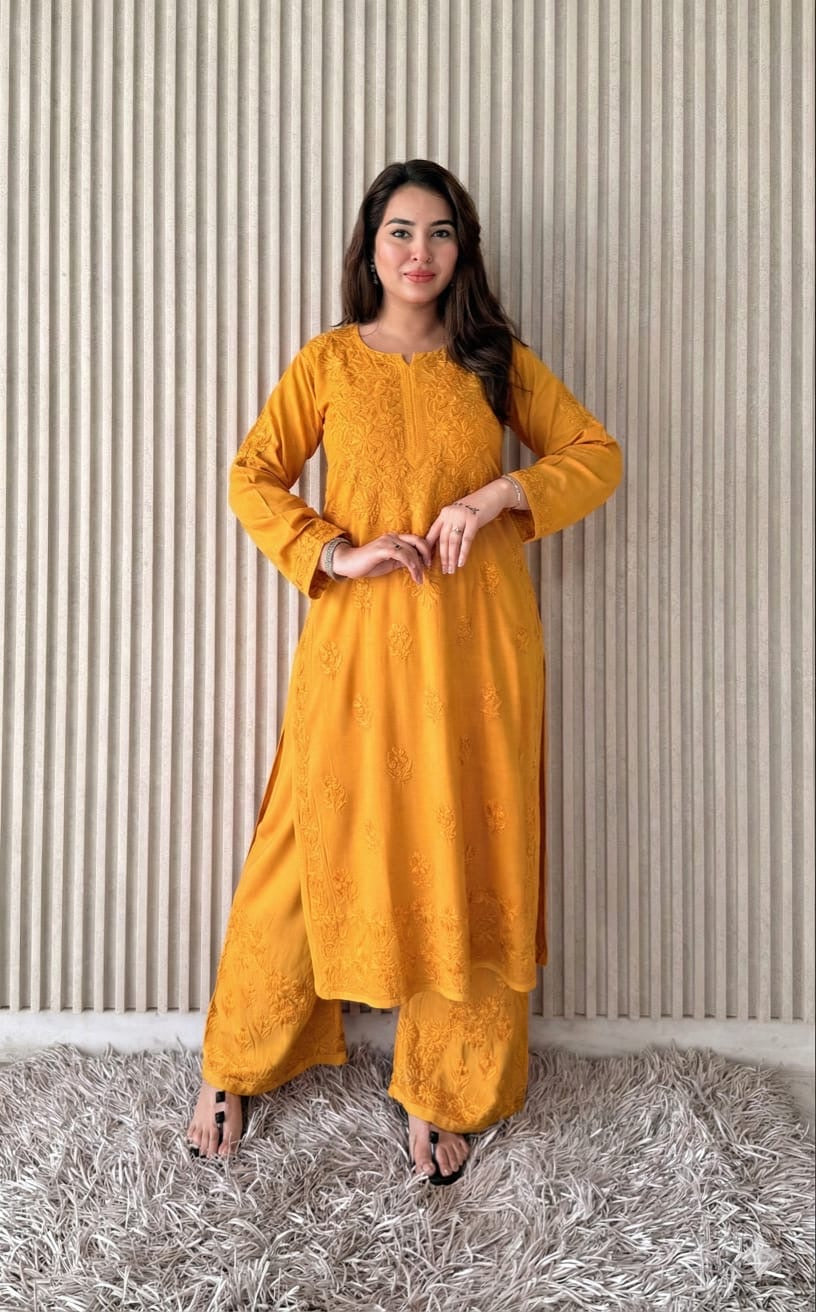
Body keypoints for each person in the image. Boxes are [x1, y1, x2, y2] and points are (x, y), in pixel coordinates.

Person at [186, 159, 622, 1182]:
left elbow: (595, 453)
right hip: (355, 648)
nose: (419, 252)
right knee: (303, 846)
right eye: (400, 232)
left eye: (438, 232)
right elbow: (254, 475)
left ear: (461, 250)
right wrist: (334, 552)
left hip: (478, 651)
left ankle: (445, 1088)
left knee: (470, 846)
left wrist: (499, 494)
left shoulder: (494, 360)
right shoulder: (329, 362)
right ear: (371, 248)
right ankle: (236, 1061)